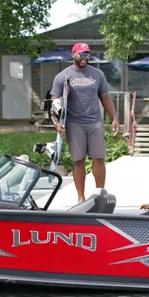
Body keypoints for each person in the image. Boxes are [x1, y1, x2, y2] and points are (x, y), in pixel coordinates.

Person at [50, 42, 120, 203]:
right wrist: (56, 123)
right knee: (78, 160)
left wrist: (115, 118)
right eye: (81, 54)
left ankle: (100, 194)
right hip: (74, 123)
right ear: (73, 54)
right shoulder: (62, 76)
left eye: (87, 54)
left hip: (95, 121)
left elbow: (105, 97)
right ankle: (81, 198)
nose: (84, 57)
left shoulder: (97, 74)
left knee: (98, 158)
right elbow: (54, 102)